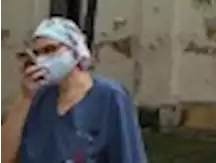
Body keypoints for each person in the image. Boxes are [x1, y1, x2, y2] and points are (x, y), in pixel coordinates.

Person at [0, 17, 147, 163]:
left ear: (75, 50)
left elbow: (128, 154)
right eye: (37, 54)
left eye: (50, 49)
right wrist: (25, 98)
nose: (43, 59)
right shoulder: (38, 98)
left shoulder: (109, 97)